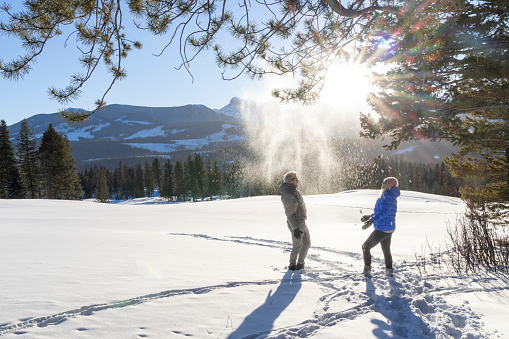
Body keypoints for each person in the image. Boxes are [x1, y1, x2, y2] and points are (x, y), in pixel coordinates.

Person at [361, 177, 400, 278]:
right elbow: (381, 210)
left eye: (384, 182)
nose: (382, 183)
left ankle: (367, 273)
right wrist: (369, 216)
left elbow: (384, 212)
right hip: (389, 227)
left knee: (365, 247)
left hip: (383, 228)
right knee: (386, 250)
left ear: (390, 185)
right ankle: (389, 272)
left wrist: (372, 221)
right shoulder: (389, 195)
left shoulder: (387, 195)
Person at [279, 171, 311, 271]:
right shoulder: (288, 194)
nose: (298, 181)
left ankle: (300, 263)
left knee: (307, 243)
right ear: (289, 181)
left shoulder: (293, 190)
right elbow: (289, 213)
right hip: (296, 224)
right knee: (297, 245)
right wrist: (295, 228)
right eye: (295, 179)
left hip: (301, 222)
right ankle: (292, 266)